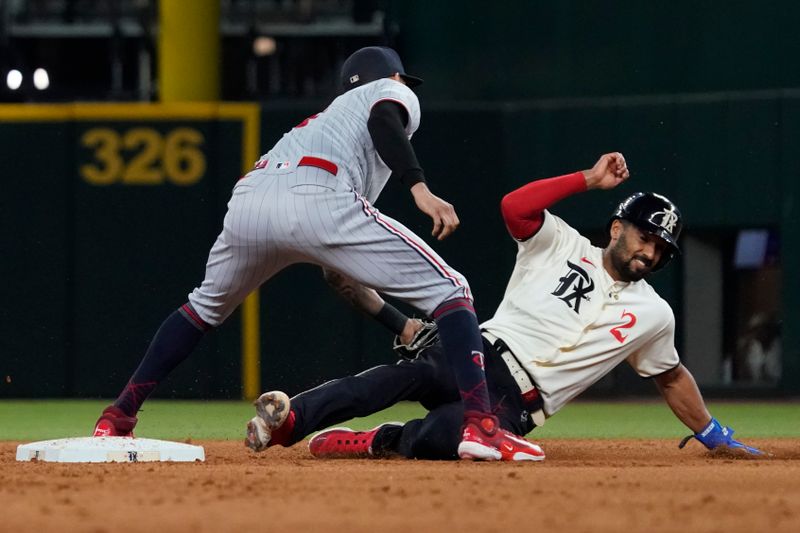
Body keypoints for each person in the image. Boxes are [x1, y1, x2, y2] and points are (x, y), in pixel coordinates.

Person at [92, 46, 533, 460]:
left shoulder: (323, 123)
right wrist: (419, 188)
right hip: (319, 191)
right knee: (453, 290)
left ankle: (118, 416)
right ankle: (481, 424)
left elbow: (338, 276)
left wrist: (397, 323)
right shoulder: (386, 92)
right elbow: (385, 118)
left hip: (250, 199)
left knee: (203, 308)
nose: (404, 87)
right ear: (394, 76)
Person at [244, 152, 763, 460]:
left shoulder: (655, 314)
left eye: (661, 250)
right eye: (645, 238)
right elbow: (515, 207)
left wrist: (714, 435)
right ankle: (293, 418)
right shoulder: (561, 242)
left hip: (520, 404)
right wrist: (587, 178)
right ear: (616, 228)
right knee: (407, 377)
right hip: (481, 354)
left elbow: (670, 376)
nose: (650, 253)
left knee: (453, 437)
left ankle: (376, 441)